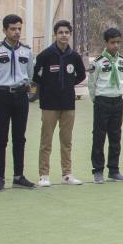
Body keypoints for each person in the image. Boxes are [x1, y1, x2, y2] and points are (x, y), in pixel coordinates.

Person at [33, 19, 87, 187]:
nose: (64, 35)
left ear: (70, 35)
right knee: (46, 141)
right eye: (60, 33)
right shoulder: (45, 55)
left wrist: (69, 84)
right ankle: (44, 175)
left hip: (68, 104)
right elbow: (35, 75)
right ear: (55, 35)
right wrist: (49, 86)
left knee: (66, 141)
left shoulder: (74, 56)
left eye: (66, 33)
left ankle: (67, 174)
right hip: (49, 104)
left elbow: (81, 75)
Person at [0, 14, 36, 192]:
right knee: (1, 138)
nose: (16, 32)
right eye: (13, 29)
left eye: (19, 29)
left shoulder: (27, 51)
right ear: (4, 30)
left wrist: (22, 88)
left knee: (19, 137)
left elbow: (30, 74)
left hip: (20, 97)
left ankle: (18, 176)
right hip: (1, 96)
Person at [88, 27, 123, 183]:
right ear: (106, 43)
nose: (116, 45)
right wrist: (96, 100)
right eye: (112, 42)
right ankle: (98, 170)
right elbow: (92, 83)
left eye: (118, 42)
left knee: (115, 137)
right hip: (102, 101)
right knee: (99, 137)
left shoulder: (122, 61)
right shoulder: (97, 62)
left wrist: (119, 95)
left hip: (117, 101)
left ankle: (114, 170)